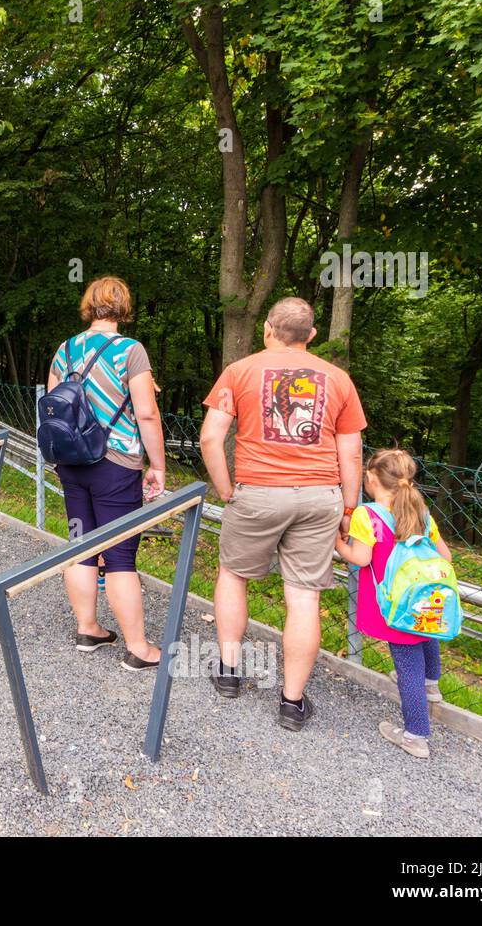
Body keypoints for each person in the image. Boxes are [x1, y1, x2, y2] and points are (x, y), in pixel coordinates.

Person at [199, 297, 366, 730]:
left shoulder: (239, 372)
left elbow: (210, 439)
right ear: (312, 336)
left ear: (268, 329)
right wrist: (349, 508)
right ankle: (292, 702)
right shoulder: (340, 380)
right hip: (319, 497)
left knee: (234, 575)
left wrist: (226, 490)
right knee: (304, 595)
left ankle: (230, 672)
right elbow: (351, 453)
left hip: (258, 493)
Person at [47, 276, 168, 671]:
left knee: (81, 544)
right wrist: (159, 465)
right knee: (119, 557)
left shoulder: (65, 349)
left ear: (89, 305)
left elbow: (53, 407)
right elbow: (147, 412)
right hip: (115, 464)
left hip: (72, 462)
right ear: (123, 307)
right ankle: (138, 648)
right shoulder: (130, 351)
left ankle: (88, 629)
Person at [335, 449, 452, 759]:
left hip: (395, 602)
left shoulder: (367, 514)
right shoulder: (421, 512)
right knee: (426, 634)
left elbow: (361, 558)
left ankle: (415, 735)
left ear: (371, 478)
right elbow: (446, 556)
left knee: (406, 662)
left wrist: (337, 543)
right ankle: (431, 684)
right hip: (425, 597)